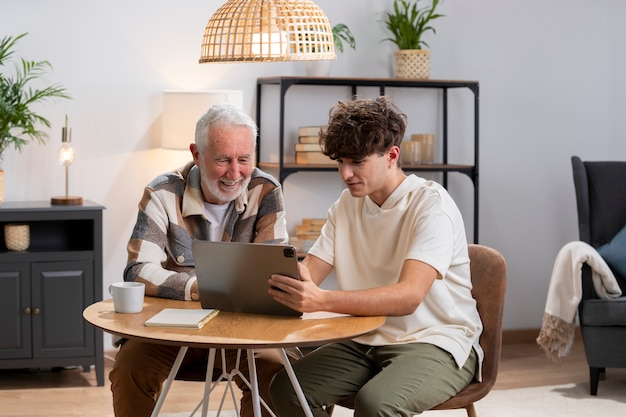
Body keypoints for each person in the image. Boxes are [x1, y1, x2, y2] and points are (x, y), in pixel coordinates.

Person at [267, 96, 483, 417]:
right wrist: (273, 279)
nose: (345, 173)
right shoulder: (347, 205)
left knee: (375, 403)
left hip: (436, 340)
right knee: (286, 390)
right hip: (365, 338)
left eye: (357, 161)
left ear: (391, 155)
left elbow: (408, 297)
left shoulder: (430, 204)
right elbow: (309, 272)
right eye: (340, 162)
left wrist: (323, 301)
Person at [109, 103, 289, 417]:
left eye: (243, 159)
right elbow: (138, 271)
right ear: (196, 154)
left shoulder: (266, 192)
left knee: (281, 374)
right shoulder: (162, 192)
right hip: (173, 331)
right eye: (223, 160)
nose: (235, 173)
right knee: (128, 368)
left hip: (246, 333)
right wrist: (201, 288)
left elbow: (273, 276)